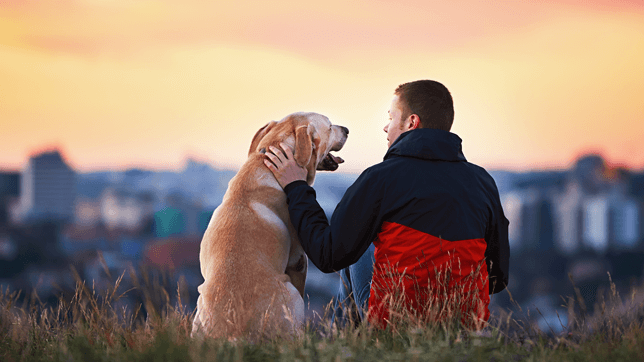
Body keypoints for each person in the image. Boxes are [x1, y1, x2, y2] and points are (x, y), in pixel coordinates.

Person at [264, 80, 509, 328]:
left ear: (411, 123)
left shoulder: (380, 178)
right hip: (465, 328)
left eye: (391, 118)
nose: (385, 127)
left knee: (356, 247)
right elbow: (498, 277)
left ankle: (348, 350)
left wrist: (296, 187)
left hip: (396, 326)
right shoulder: (483, 183)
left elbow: (327, 254)